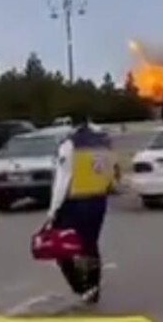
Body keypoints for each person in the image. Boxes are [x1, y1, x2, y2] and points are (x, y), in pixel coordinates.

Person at [47, 115, 114, 304]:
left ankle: (78, 285)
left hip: (75, 201)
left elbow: (63, 179)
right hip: (98, 199)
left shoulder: (70, 145)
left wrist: (53, 209)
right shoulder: (103, 141)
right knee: (90, 245)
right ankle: (93, 287)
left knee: (60, 246)